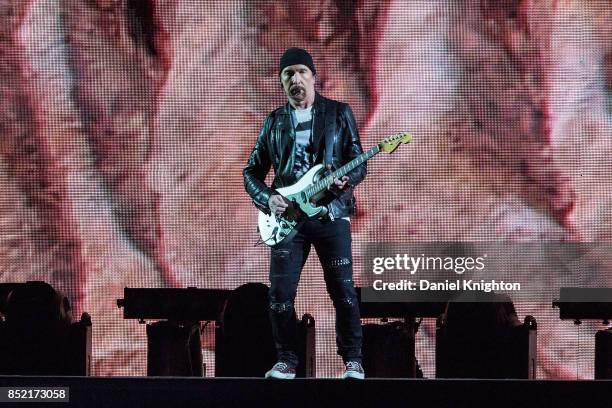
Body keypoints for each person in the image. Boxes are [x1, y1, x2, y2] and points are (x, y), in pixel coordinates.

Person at [243, 48, 367, 379]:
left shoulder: (339, 113)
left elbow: (359, 160)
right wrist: (268, 199)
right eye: (288, 74)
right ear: (282, 81)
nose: (295, 79)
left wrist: (345, 179)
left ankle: (353, 360)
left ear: (313, 76)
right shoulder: (274, 122)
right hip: (288, 220)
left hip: (331, 214)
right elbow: (251, 172)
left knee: (342, 289)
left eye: (301, 72)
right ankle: (287, 359)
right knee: (280, 295)